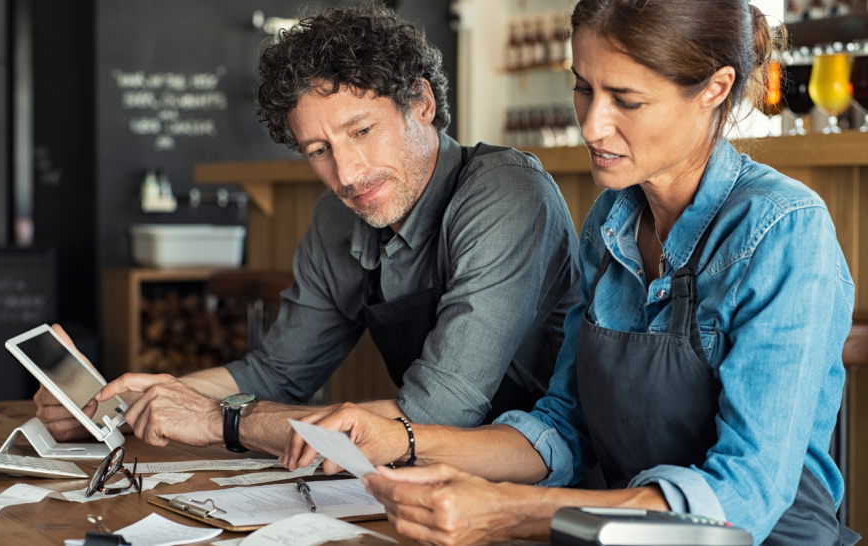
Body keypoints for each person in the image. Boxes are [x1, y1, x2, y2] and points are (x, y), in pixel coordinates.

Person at [282, 1, 859, 545]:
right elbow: (564, 425)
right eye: (584, 88)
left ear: (715, 88)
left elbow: (747, 494)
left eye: (626, 100)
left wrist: (512, 511)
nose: (591, 126)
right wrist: (404, 442)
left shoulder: (783, 230)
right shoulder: (612, 220)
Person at [34, 5, 580, 457]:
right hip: (430, 482)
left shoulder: (506, 194)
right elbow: (276, 372)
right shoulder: (338, 217)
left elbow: (434, 415)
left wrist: (223, 422)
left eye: (362, 131)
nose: (347, 174)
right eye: (319, 151)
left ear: (422, 103)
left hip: (546, 479)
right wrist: (123, 406)